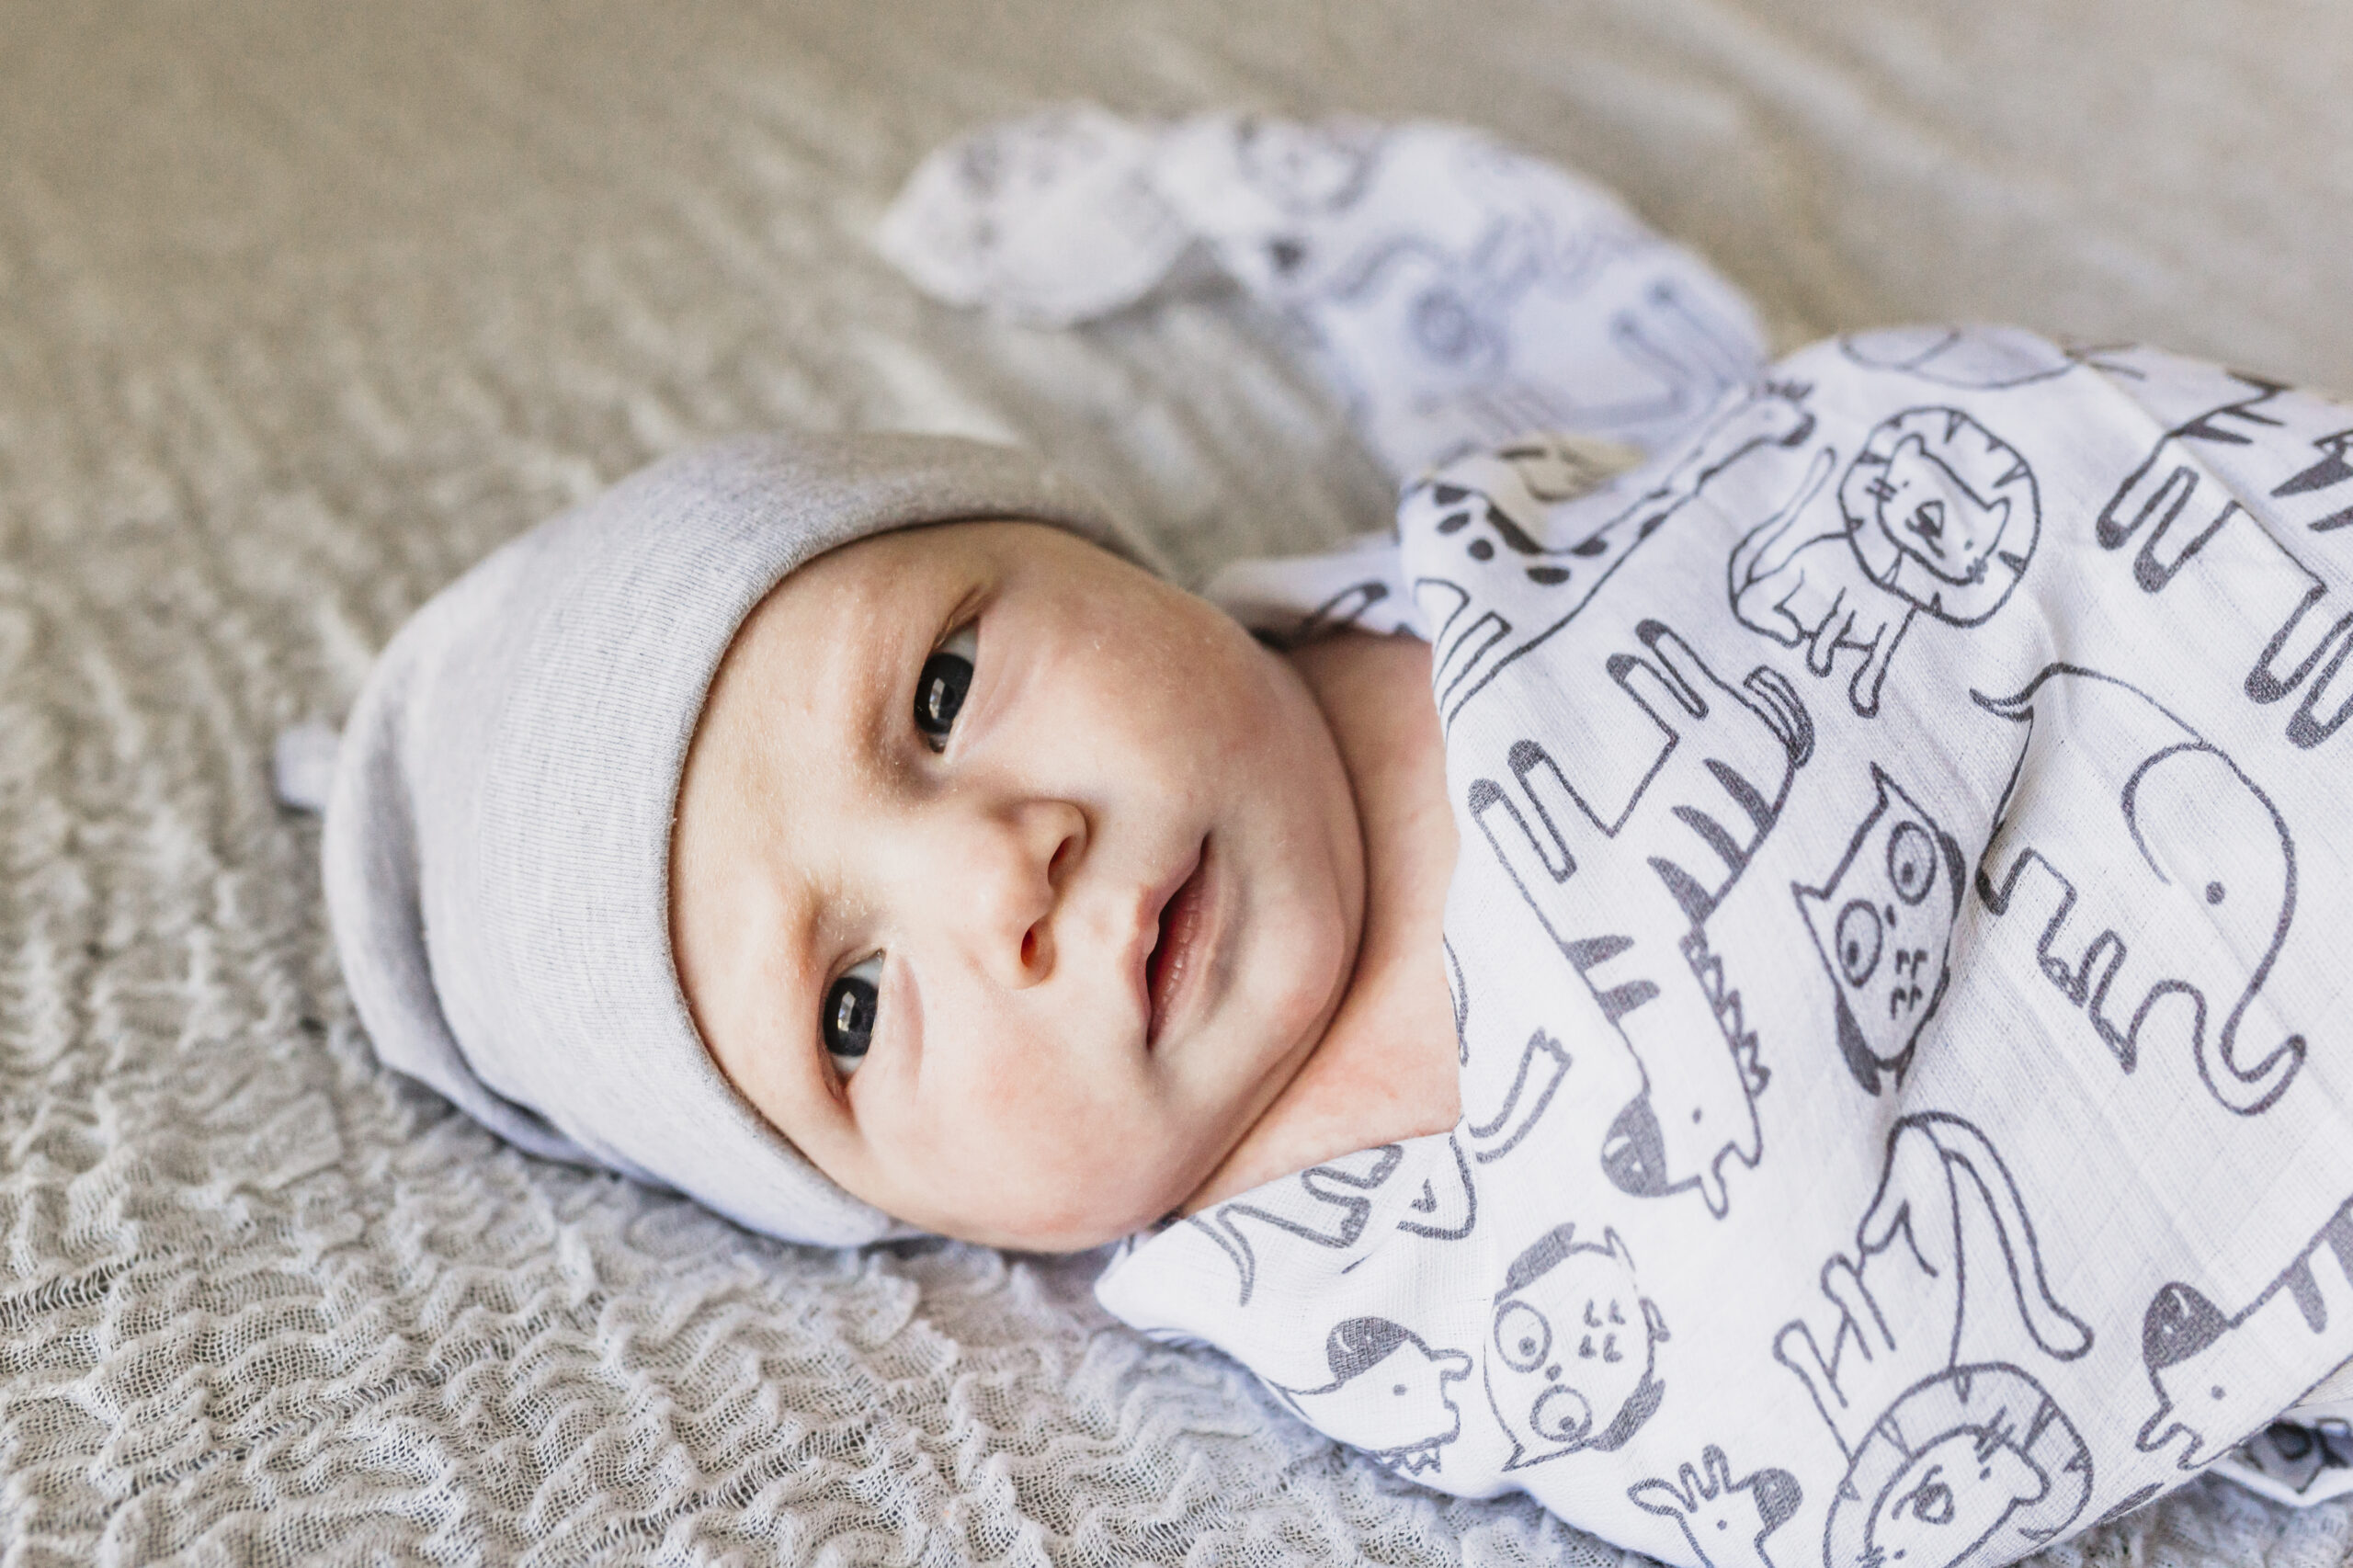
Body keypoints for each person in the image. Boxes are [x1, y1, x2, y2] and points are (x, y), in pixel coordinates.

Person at [317, 120, 2353, 1566]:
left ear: (1080, 545)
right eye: (849, 1007)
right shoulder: (1313, 1274)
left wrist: (1246, 201)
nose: (991, 876)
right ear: (885, 1207)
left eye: (940, 694)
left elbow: (1646, 368)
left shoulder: (1447, 561)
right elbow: (1793, 1407)